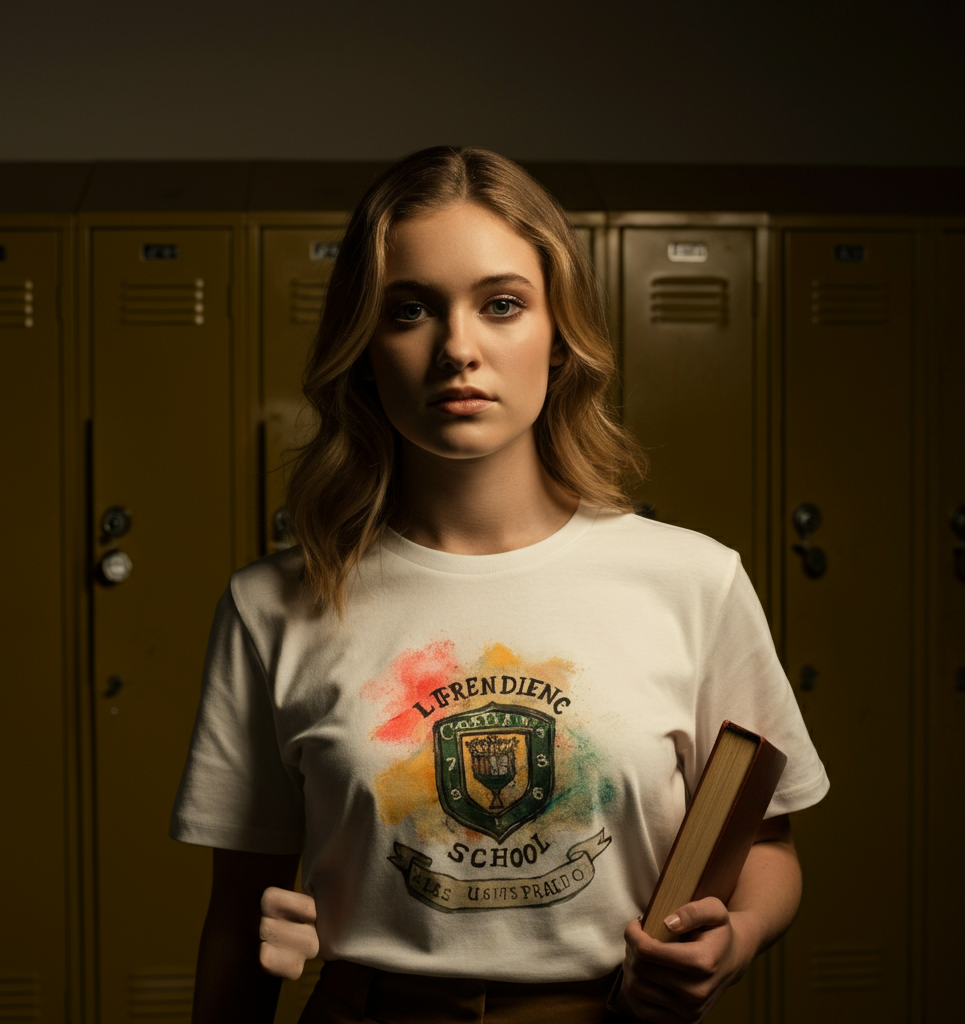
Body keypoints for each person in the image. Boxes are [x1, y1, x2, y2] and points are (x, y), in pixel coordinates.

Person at [170, 146, 829, 1024]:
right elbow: (237, 916)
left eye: (502, 305)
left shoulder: (695, 583)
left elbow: (769, 846)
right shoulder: (271, 607)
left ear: (559, 338)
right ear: (363, 349)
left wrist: (735, 940)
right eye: (410, 310)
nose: (458, 349)